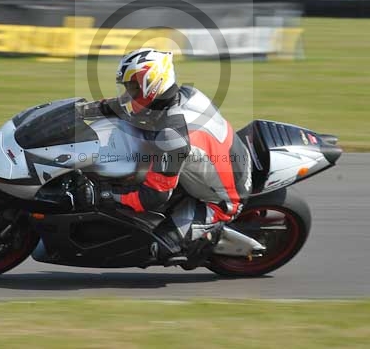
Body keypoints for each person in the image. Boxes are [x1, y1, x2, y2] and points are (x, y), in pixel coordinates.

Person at [75, 48, 253, 266]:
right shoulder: (177, 95)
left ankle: (205, 241)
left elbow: (153, 197)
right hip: (215, 163)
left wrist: (105, 195)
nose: (129, 92)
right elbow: (122, 107)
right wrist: (81, 110)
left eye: (133, 86)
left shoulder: (172, 136)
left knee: (157, 247)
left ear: (153, 84)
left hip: (222, 199)